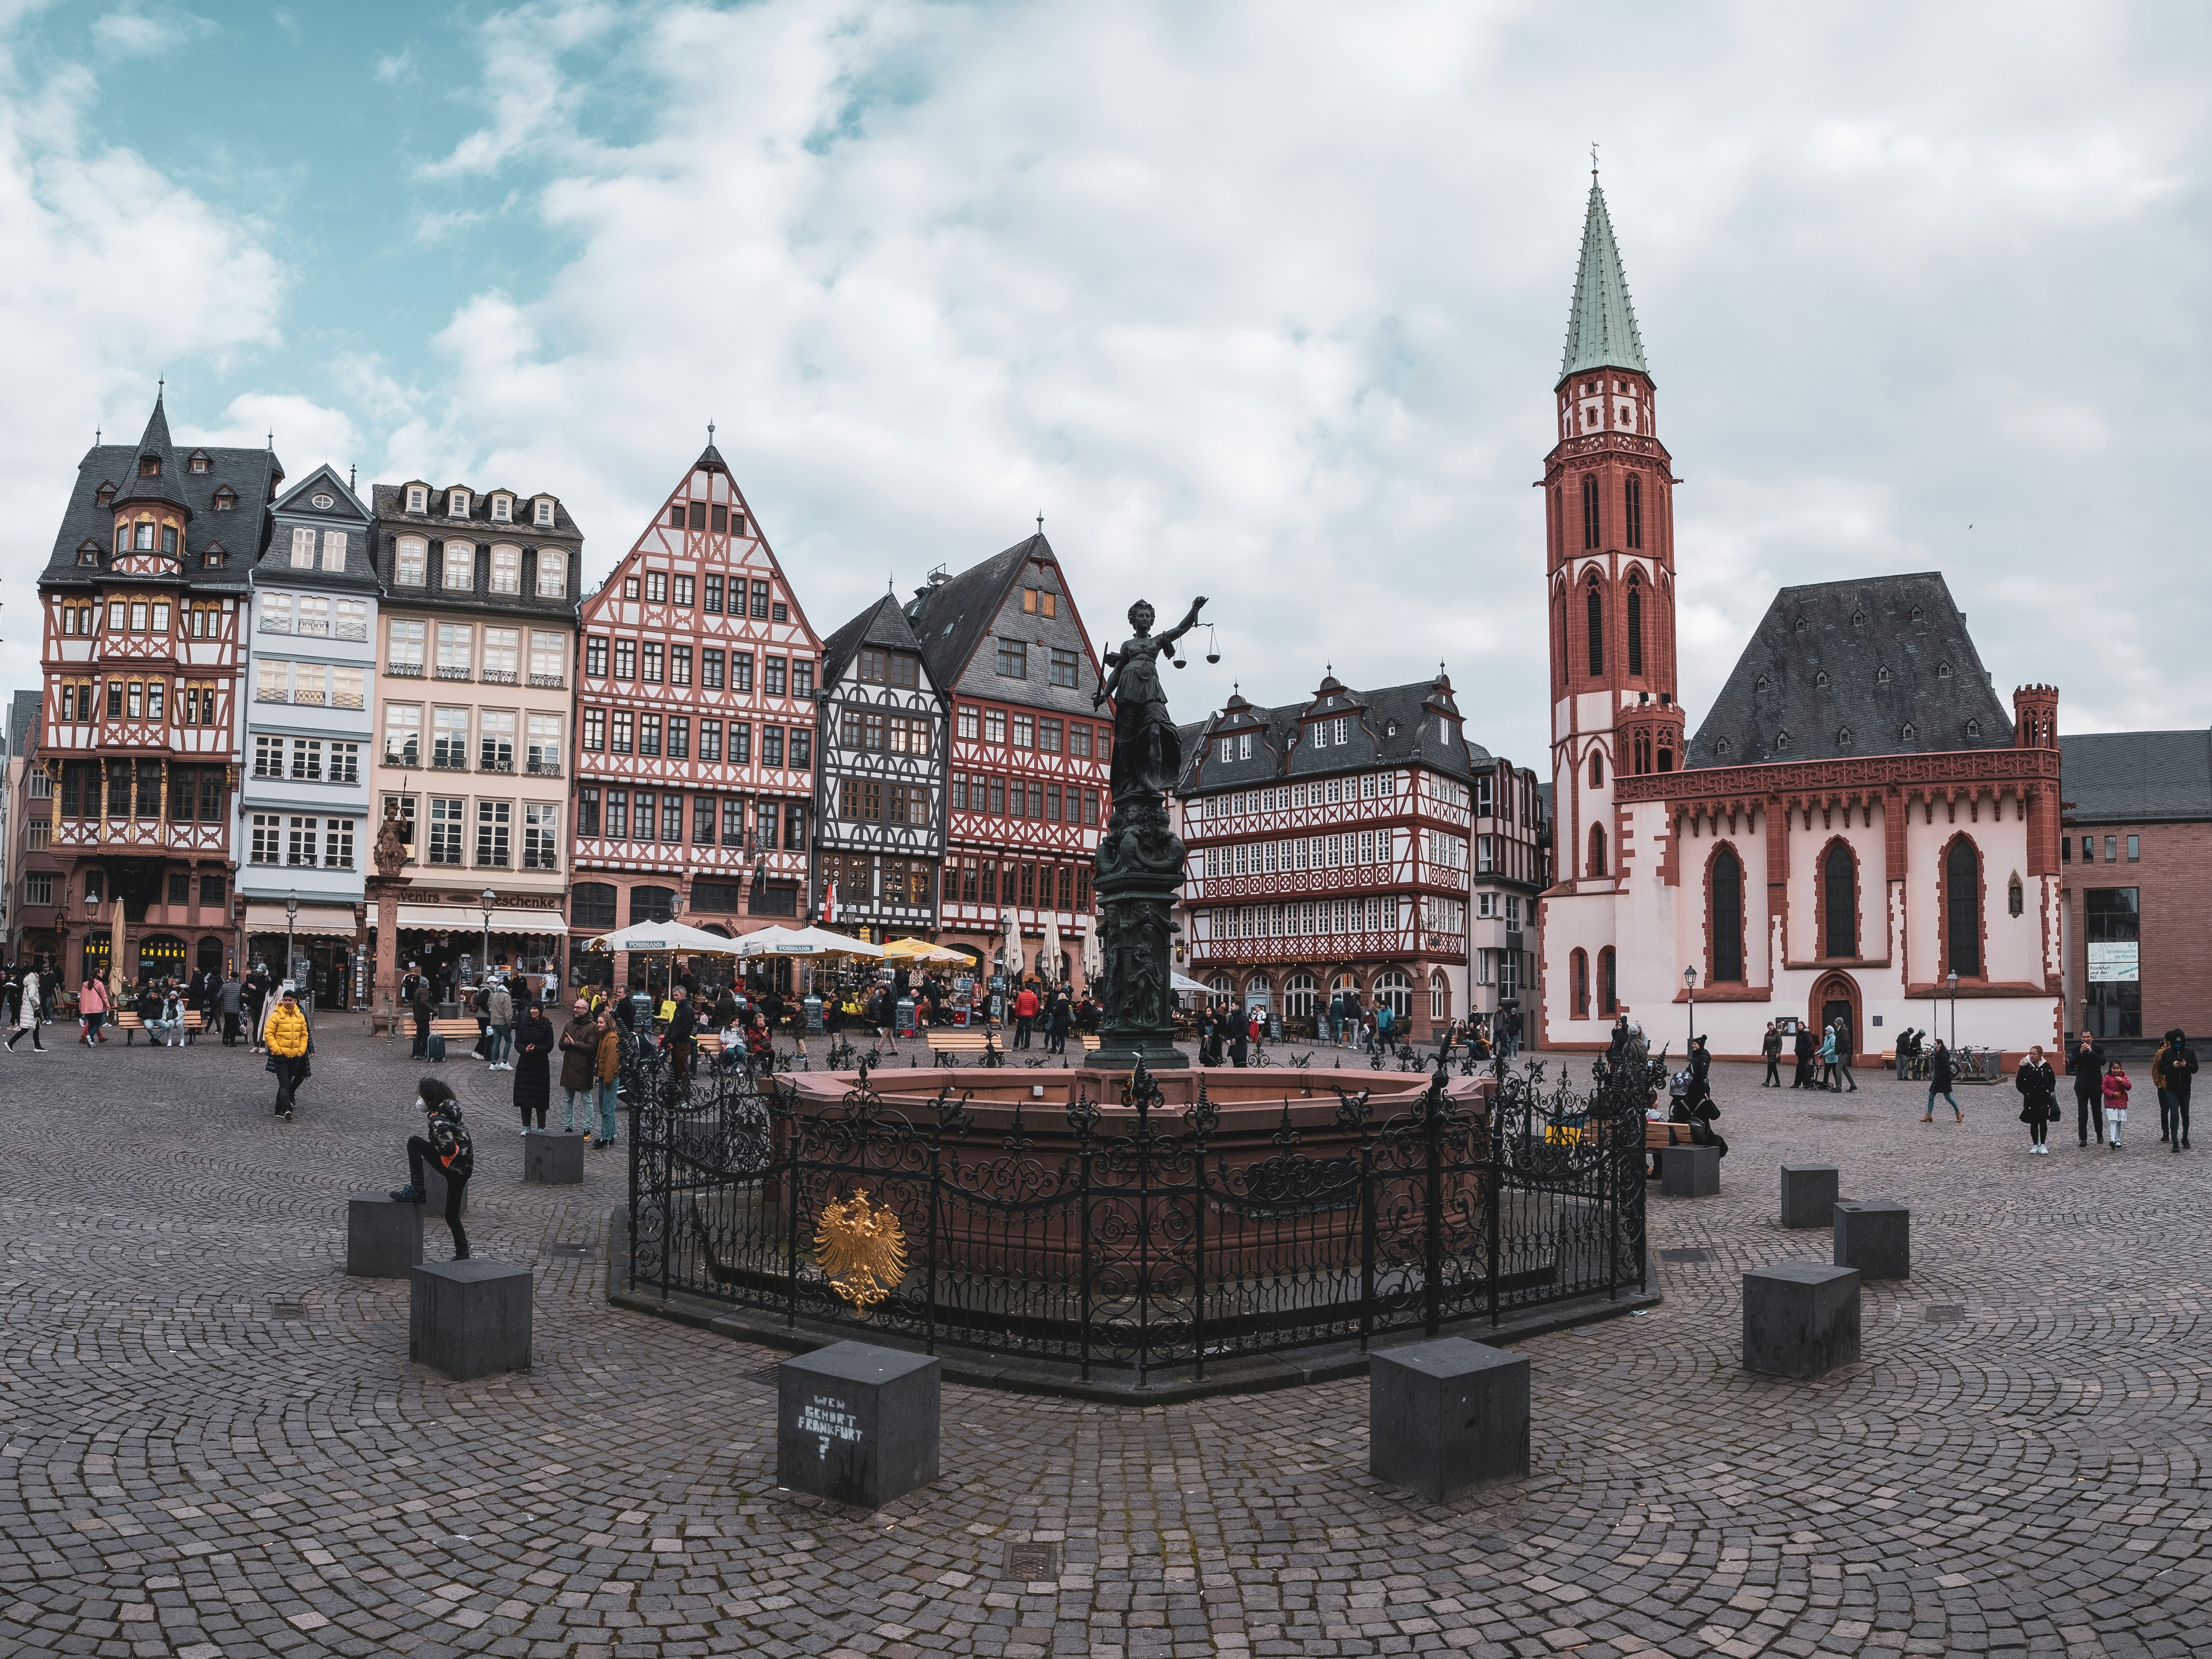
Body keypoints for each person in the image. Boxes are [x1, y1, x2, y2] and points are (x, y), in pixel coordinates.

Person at [389, 1078, 473, 1260]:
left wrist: (437, 1146)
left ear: (429, 1097)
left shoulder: (437, 1117)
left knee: (414, 1143)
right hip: (463, 1169)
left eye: (422, 1095)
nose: (420, 1099)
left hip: (453, 1165)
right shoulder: (451, 1109)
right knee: (452, 1215)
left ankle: (418, 1189)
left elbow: (448, 1146)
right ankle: (463, 1253)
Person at [265, 988, 310, 1121]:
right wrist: (277, 1050)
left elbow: (304, 1035)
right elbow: (268, 1034)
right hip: (281, 1056)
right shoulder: (276, 1015)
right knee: (285, 1083)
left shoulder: (300, 1016)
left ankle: (278, 1109)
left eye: (290, 1000)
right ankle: (286, 1109)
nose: (288, 1002)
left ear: (295, 1001)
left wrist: (301, 1051)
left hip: (295, 1056)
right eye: (285, 1000)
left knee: (287, 1082)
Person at [558, 997, 601, 1133]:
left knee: (586, 1099)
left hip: (584, 1067)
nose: (576, 1010)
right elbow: (560, 1046)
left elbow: (592, 1047)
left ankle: (588, 1129)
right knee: (568, 1099)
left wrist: (574, 1043)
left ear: (586, 1010)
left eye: (579, 1008)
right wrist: (565, 1044)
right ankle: (568, 1126)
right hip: (569, 1067)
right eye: (575, 1007)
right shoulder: (569, 1025)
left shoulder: (593, 1026)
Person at [512, 999, 554, 1131]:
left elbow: (550, 1046)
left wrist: (536, 1049)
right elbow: (517, 1043)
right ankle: (526, 1126)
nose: (533, 1011)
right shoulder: (524, 1025)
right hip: (525, 1065)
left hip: (540, 1066)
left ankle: (541, 1127)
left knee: (540, 1098)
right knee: (525, 1098)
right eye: (531, 1009)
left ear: (540, 1011)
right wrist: (525, 1049)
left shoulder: (547, 1027)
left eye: (535, 1009)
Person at [2015, 1043, 2058, 1155]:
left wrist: (2049, 1090)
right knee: (2034, 1122)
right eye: (2031, 1053)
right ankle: (2035, 1144)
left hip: (2044, 1098)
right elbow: (2019, 1082)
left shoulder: (2046, 1066)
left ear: (2040, 1055)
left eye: (2034, 1054)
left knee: (2043, 1121)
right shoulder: (2025, 1066)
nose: (2032, 1055)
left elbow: (2052, 1080)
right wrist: (2026, 1092)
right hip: (2031, 1098)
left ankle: (2043, 1144)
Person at [2070, 1030, 2107, 1147]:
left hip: (2095, 1085)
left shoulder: (2098, 1048)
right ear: (2081, 1038)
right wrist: (2081, 1054)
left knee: (2097, 1112)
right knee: (2082, 1114)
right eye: (2084, 1037)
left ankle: (2099, 1135)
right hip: (2082, 1086)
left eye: (2088, 1037)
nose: (2086, 1039)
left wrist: (2091, 1052)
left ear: (2092, 1038)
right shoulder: (2076, 1048)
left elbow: (2103, 1062)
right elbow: (2072, 1064)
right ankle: (2083, 1138)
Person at [2164, 1029, 2197, 1151]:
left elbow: (2195, 1068)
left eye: (2180, 1041)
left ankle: (2185, 1138)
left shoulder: (2190, 1052)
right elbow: (2162, 1069)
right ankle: (2175, 1141)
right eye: (2176, 1042)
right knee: (2174, 1114)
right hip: (2172, 1089)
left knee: (2185, 1115)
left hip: (2185, 1089)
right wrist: (2172, 1066)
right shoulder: (2167, 1053)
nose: (2178, 1043)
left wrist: (2187, 1066)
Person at [592, 1013, 622, 1148]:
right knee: (606, 1107)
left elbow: (612, 1063)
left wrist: (608, 1080)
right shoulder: (604, 1037)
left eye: (601, 1023)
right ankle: (612, 1134)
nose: (598, 1024)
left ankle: (605, 1138)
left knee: (607, 1108)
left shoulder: (611, 1039)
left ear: (608, 1024)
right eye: (598, 1022)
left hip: (610, 1077)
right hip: (605, 1075)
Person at [664, 986, 697, 1100]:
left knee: (682, 1071)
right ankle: (678, 1094)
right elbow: (673, 1025)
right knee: (676, 1070)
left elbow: (683, 1030)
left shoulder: (688, 1010)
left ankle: (686, 1096)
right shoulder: (678, 1008)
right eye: (674, 995)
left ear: (683, 995)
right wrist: (667, 1038)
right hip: (676, 1043)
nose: (675, 998)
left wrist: (671, 1039)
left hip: (682, 1044)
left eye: (677, 995)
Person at [1922, 1038, 1963, 1124]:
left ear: (1940, 1045)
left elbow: (1946, 1067)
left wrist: (1940, 1076)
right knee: (1931, 1096)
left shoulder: (1943, 1055)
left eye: (1935, 1044)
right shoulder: (1938, 1054)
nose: (1934, 1046)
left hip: (1943, 1080)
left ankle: (1958, 1112)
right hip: (1938, 1079)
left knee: (1947, 1097)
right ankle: (1929, 1115)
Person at [6, 968, 44, 1052]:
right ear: (34, 979)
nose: (39, 979)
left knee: (35, 1028)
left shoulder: (28, 985)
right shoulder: (33, 986)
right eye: (38, 978)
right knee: (25, 1029)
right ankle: (10, 1043)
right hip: (31, 1011)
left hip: (28, 1010)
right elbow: (31, 996)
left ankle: (37, 1046)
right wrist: (38, 1003)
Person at [484, 975, 515, 1071]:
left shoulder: (497, 995)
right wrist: (510, 1023)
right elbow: (508, 1012)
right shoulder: (507, 996)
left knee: (496, 1043)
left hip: (494, 1022)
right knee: (509, 1041)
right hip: (502, 1023)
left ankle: (494, 1063)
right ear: (509, 989)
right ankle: (504, 1062)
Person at [2102, 1059, 2131, 1151]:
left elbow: (2129, 1087)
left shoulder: (2124, 1077)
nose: (2116, 1070)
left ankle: (2118, 1140)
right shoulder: (2107, 1077)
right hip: (2111, 1103)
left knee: (2119, 1121)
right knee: (2113, 1121)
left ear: (2121, 1068)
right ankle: (2113, 1140)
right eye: (2114, 1068)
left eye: (2118, 1068)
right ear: (2111, 1069)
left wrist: (2122, 1081)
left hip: (2121, 1102)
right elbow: (2104, 1088)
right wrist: (2112, 1093)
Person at [78, 973, 109, 1045]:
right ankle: (90, 1036)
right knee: (97, 1024)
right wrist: (108, 1006)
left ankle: (92, 1041)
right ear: (97, 976)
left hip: (87, 1008)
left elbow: (82, 998)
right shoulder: (99, 984)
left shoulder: (85, 985)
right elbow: (104, 997)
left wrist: (81, 1007)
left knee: (91, 1024)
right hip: (97, 1008)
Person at [1832, 1019, 1857, 1093]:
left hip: (1844, 1052)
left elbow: (1846, 1041)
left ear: (1839, 1023)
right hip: (1843, 1052)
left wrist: (1843, 1051)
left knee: (1838, 1069)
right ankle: (1853, 1085)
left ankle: (1839, 1087)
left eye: (1836, 1022)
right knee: (1845, 1069)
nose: (1835, 1023)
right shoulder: (1841, 1030)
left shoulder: (1844, 1030)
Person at [1012, 982, 1039, 1049]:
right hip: (1030, 1016)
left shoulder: (1021, 995)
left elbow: (1018, 1006)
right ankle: (1027, 1047)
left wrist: (1017, 1014)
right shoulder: (1034, 996)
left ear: (1025, 988)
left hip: (1022, 1015)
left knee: (1019, 1031)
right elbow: (1036, 1007)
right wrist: (1033, 1014)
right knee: (1028, 1032)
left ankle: (1016, 1046)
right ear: (1031, 988)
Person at [218, 971, 243, 1045]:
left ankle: (226, 1039)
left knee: (227, 1024)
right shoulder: (240, 987)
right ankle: (232, 1041)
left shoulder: (225, 986)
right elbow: (242, 998)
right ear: (238, 978)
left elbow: (219, 996)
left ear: (231, 977)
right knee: (234, 1025)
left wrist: (225, 999)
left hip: (227, 1009)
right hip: (236, 1009)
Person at [1047, 992, 1072, 1057]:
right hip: (1064, 1022)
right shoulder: (1067, 1004)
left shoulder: (1058, 1004)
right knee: (1062, 1036)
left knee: (1053, 1035)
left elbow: (1055, 1013)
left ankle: (1054, 1049)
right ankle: (1062, 1050)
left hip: (1058, 1021)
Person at [1792, 1022, 1815, 1088]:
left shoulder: (1806, 1034)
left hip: (1805, 1054)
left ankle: (1801, 1083)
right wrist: (1796, 1050)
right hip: (1800, 1054)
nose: (1799, 1027)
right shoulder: (1799, 1034)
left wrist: (1803, 1050)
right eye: (1799, 1026)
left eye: (1801, 1026)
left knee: (1802, 1069)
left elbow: (1809, 1043)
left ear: (1803, 1026)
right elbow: (1797, 1043)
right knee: (1801, 1069)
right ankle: (1801, 1083)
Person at [1761, 1022, 1781, 1088]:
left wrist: (1778, 1053)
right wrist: (1763, 1054)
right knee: (1773, 1067)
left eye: (1771, 1025)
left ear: (1773, 1026)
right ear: (1768, 1027)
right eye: (1769, 1026)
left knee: (1771, 1066)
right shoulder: (1766, 1035)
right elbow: (1765, 1045)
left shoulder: (1777, 1034)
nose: (1770, 1027)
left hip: (1775, 1053)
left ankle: (1768, 1081)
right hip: (1769, 1053)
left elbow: (1780, 1044)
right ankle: (1777, 1082)